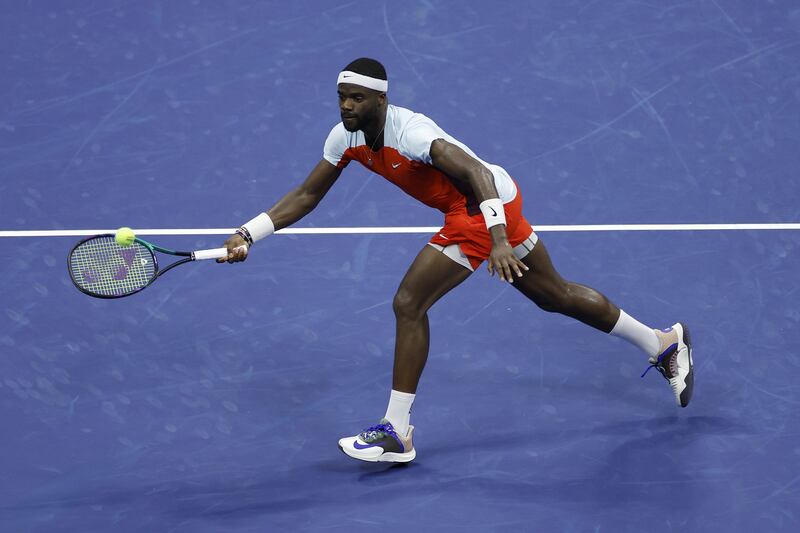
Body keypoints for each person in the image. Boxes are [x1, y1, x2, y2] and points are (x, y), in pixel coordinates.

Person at [219, 57, 694, 464]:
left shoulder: (413, 133)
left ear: (380, 100)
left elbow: (476, 172)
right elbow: (306, 194)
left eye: (358, 98)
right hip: (493, 204)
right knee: (556, 296)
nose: (347, 105)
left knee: (409, 303)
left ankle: (396, 431)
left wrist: (499, 239)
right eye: (342, 96)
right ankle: (663, 342)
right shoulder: (345, 138)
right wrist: (248, 233)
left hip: (481, 209)